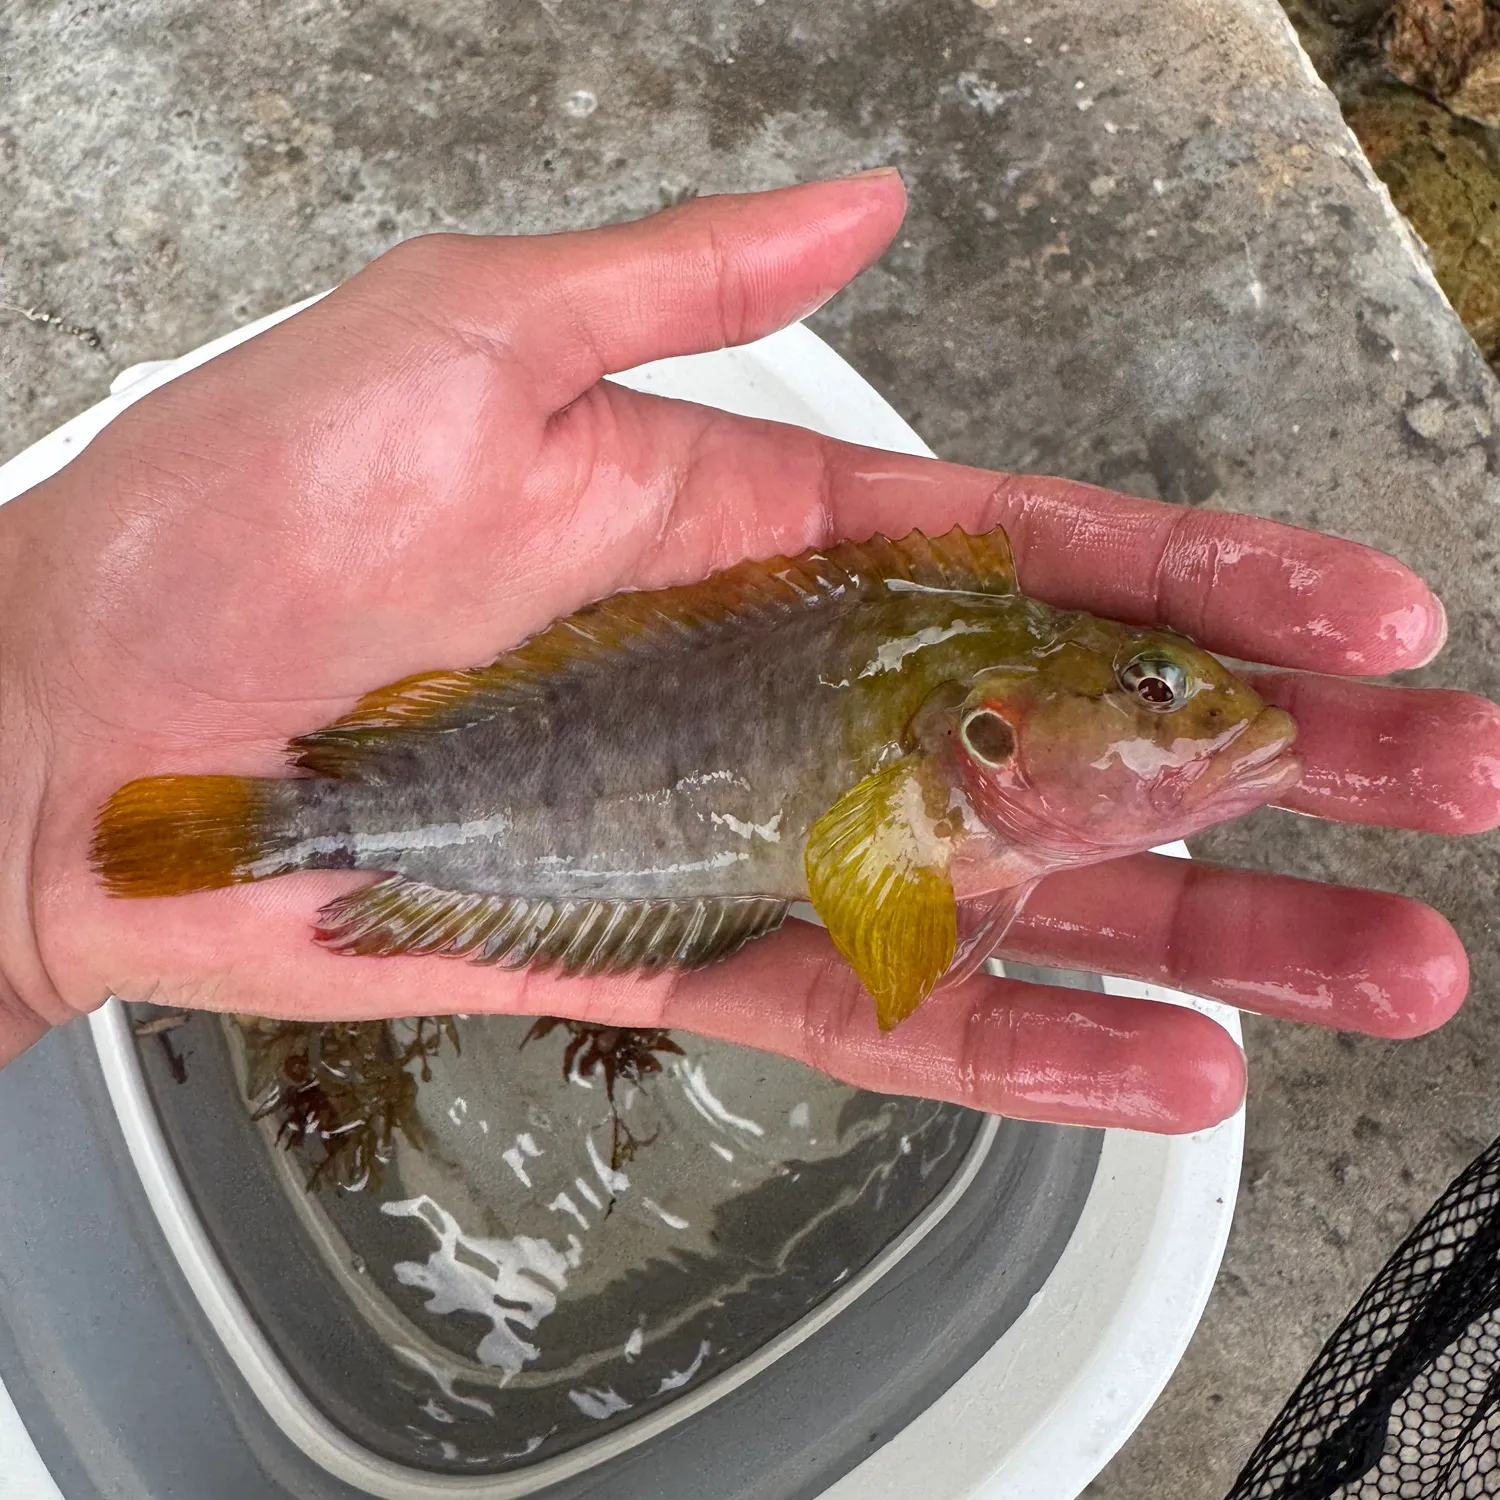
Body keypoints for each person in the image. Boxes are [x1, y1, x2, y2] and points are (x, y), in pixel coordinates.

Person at [0, 171, 1491, 1134]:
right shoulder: (949, 721)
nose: (1196, 720)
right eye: (1157, 692)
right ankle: (295, 828)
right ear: (989, 729)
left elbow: (884, 879)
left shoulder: (963, 716)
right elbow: (876, 891)